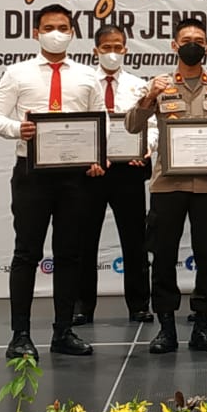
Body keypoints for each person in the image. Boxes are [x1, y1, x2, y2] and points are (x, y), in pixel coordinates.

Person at [0, 3, 105, 360]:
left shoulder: (87, 76)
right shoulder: (17, 73)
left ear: (73, 33)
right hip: (32, 174)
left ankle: (63, 331)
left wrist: (97, 156)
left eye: (63, 27)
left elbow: (101, 121)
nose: (56, 33)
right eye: (49, 27)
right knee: (27, 253)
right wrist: (17, 129)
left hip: (75, 176)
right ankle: (20, 335)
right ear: (36, 32)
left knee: (69, 254)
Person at [126, 17, 207, 354]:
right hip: (167, 184)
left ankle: (203, 325)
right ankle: (166, 328)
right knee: (163, 255)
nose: (193, 45)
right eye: (186, 40)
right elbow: (131, 126)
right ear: (174, 45)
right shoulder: (158, 85)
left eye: (199, 41)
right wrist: (150, 97)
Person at [73, 25, 154, 326]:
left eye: (118, 47)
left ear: (126, 50)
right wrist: (87, 157)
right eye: (106, 47)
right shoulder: (82, 83)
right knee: (84, 241)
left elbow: (152, 125)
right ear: (95, 50)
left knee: (135, 240)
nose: (112, 52)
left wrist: (146, 148)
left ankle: (139, 305)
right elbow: (78, 125)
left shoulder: (139, 86)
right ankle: (82, 306)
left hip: (128, 172)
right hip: (91, 171)